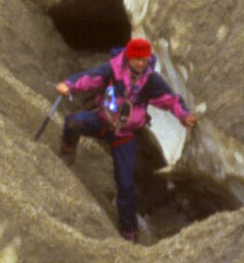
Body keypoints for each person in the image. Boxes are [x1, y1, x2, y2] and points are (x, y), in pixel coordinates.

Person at [56, 35, 195, 240]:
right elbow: (89, 78)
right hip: (102, 120)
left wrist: (184, 116)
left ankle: (129, 231)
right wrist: (69, 84)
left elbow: (171, 100)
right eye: (137, 59)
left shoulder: (151, 81)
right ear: (128, 57)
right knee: (73, 122)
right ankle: (67, 151)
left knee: (126, 185)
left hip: (125, 135)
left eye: (144, 59)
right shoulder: (112, 70)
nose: (141, 63)